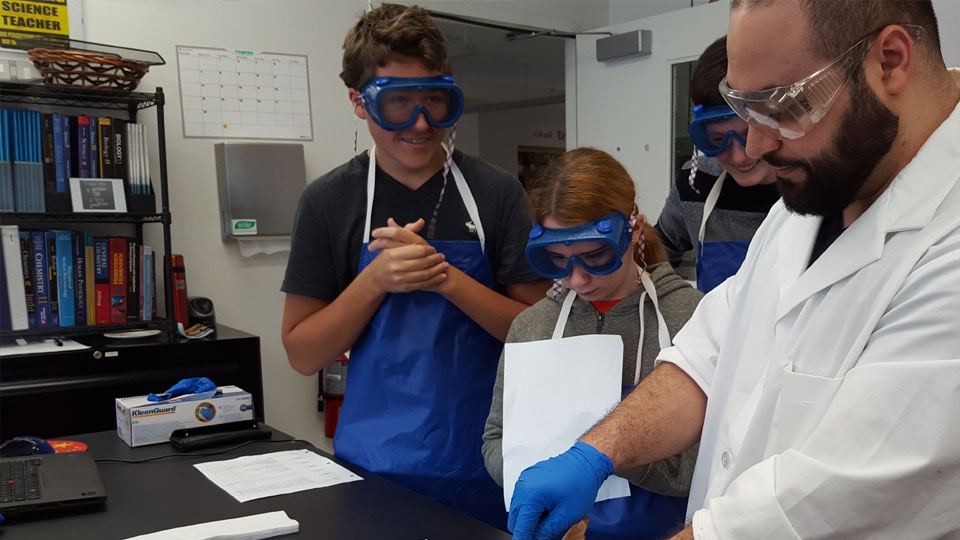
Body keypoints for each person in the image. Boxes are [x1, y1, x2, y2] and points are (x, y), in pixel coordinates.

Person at [507, 0, 960, 539]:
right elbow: (707, 355)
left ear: (890, 61)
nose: (755, 146)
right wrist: (596, 452)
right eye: (745, 108)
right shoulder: (813, 198)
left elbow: (820, 503)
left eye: (783, 106)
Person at [280, 4, 547, 529]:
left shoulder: (496, 193)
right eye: (398, 102)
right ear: (360, 103)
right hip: (374, 468)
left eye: (435, 100)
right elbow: (302, 352)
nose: (421, 123)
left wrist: (444, 278)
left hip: (490, 460)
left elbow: (536, 334)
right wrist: (376, 280)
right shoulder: (330, 201)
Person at [481, 148, 703, 539]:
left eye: (595, 256)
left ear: (634, 229)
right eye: (557, 260)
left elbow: (714, 461)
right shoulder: (532, 326)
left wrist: (604, 451)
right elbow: (495, 439)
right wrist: (534, 476)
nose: (578, 279)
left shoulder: (693, 318)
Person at [655, 36, 780, 292]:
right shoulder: (697, 181)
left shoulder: (816, 188)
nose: (739, 157)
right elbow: (654, 260)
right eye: (717, 139)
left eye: (749, 134)